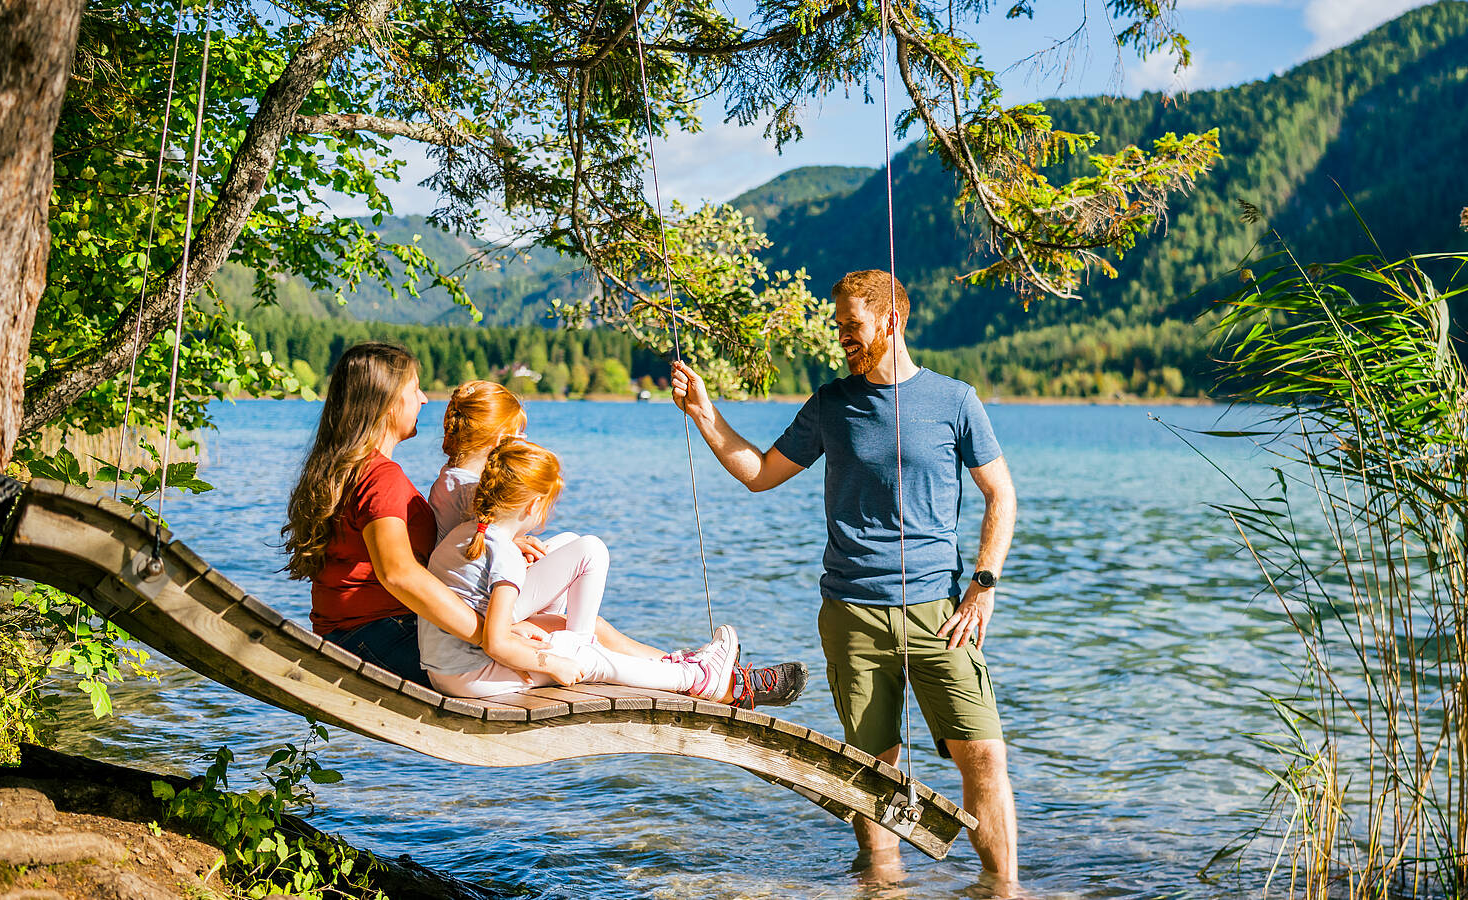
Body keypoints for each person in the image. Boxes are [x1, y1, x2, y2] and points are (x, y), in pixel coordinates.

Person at [671, 270, 1020, 893]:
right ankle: (882, 888)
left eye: (852, 325)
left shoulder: (955, 400)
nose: (842, 337)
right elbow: (759, 473)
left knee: (985, 758)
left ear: (892, 320)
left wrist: (983, 586)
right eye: (838, 327)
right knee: (872, 774)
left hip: (942, 615)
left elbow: (1002, 494)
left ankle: (1005, 891)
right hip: (851, 615)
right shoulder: (831, 404)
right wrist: (704, 412)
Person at [431, 379, 807, 707]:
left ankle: (698, 671)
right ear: (499, 441)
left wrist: (517, 541)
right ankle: (704, 678)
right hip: (478, 633)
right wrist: (546, 651)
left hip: (473, 626)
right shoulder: (467, 492)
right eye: (519, 435)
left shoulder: (462, 492)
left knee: (572, 555)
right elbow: (484, 591)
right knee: (590, 565)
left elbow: (477, 556)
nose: (525, 441)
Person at [280, 342, 544, 685]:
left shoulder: (351, 468)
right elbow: (399, 574)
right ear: (388, 402)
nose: (424, 399)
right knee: (557, 648)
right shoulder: (380, 477)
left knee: (547, 636)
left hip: (356, 635)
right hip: (379, 637)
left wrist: (494, 541)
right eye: (415, 389)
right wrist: (489, 636)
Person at [419, 439, 742, 699]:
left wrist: (519, 636)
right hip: (472, 677)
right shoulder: (506, 558)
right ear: (533, 505)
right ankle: (695, 677)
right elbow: (495, 644)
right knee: (589, 659)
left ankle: (588, 646)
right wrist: (553, 664)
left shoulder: (466, 534)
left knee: (571, 544)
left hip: (445, 670)